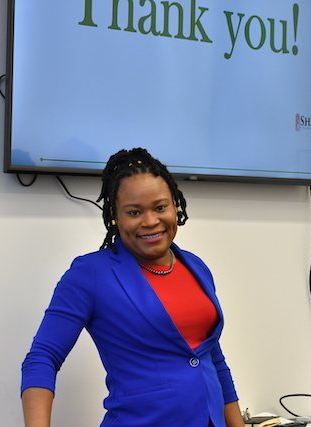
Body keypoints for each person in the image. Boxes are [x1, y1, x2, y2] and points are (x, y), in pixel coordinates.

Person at [21, 148, 244, 427]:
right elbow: (42, 358)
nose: (150, 221)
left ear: (175, 206)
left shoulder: (196, 267)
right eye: (134, 212)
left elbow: (213, 359)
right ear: (115, 215)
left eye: (160, 207)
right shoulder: (90, 275)